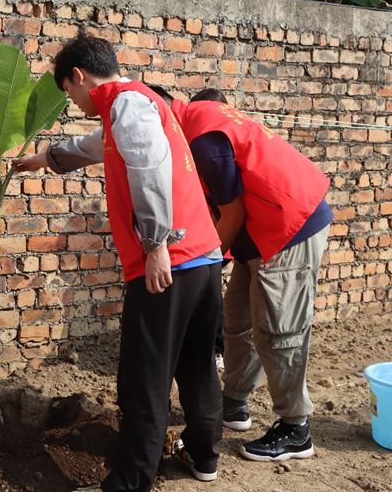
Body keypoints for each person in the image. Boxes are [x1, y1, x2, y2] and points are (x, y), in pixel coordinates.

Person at [33, 85, 332, 463]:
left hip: (288, 226)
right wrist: (45, 158)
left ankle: (296, 428)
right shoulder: (187, 122)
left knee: (278, 329)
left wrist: (207, 262)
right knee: (239, 320)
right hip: (257, 233)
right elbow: (101, 142)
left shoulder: (203, 139)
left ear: (159, 112)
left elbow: (232, 213)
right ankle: (233, 403)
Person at [14, 31, 224, 491]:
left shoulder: (127, 105)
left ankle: (130, 481)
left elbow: (150, 170)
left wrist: (155, 245)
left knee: (144, 377)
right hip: (204, 259)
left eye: (67, 92)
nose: (71, 102)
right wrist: (43, 159)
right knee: (196, 364)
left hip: (171, 260)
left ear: (78, 76)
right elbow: (91, 147)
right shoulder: (133, 104)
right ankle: (203, 455)